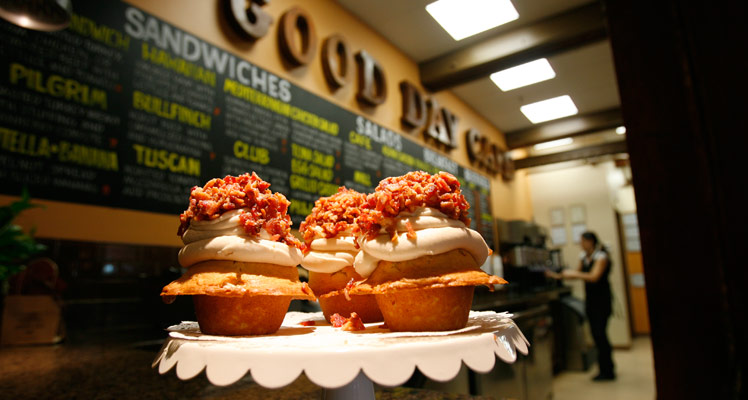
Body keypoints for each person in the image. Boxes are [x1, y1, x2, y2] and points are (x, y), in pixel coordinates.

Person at [546, 231, 616, 381]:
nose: (581, 244)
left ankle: (608, 370)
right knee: (596, 335)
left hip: (602, 302)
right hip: (591, 301)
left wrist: (572, 274)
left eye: (583, 241)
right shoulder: (584, 258)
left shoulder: (601, 257)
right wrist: (556, 275)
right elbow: (576, 273)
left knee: (600, 334)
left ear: (591, 242)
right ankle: (604, 368)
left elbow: (593, 276)